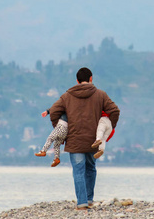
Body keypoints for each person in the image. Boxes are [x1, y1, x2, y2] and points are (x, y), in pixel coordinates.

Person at [48, 67, 120, 210]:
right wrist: (108, 127)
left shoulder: (66, 96)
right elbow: (115, 111)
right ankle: (89, 199)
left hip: (74, 140)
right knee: (91, 168)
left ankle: (82, 203)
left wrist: (61, 130)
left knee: (78, 171)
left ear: (77, 80)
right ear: (91, 78)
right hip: (94, 140)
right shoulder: (100, 95)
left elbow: (54, 113)